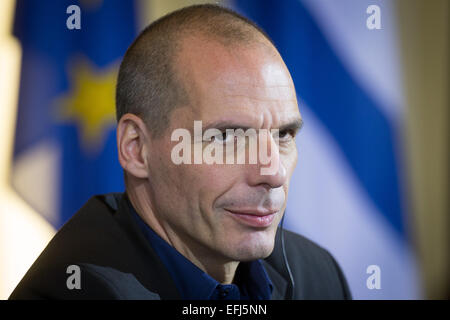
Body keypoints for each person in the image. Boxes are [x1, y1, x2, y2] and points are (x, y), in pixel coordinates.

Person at [10, 4, 351, 300]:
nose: (273, 173)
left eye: (284, 135)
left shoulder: (318, 275)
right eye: (229, 136)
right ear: (137, 149)